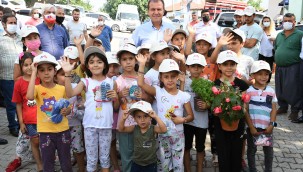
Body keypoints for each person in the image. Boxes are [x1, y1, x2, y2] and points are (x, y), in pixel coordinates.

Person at [61, 46, 119, 172]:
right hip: (90, 126)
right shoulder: (85, 81)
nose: (95, 65)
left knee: (105, 158)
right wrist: (67, 74)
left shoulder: (111, 82)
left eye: (99, 62)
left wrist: (116, 98)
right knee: (92, 159)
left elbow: (115, 107)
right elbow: (70, 93)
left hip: (106, 126)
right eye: (91, 62)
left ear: (105, 64)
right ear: (87, 66)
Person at [137, 57, 194, 172]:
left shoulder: (183, 96)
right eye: (166, 76)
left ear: (177, 77)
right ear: (161, 78)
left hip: (178, 136)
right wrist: (142, 64)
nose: (170, 80)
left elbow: (191, 116)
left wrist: (182, 120)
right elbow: (141, 83)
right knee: (163, 165)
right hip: (162, 135)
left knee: (178, 166)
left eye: (173, 76)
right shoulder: (158, 91)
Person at [26, 52, 72, 171]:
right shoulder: (37, 89)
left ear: (55, 71)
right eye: (41, 70)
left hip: (63, 131)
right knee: (47, 164)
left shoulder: (61, 88)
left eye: (49, 69)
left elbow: (69, 104)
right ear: (38, 73)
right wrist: (33, 74)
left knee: (66, 163)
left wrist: (67, 111)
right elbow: (30, 96)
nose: (46, 73)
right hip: (45, 133)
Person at [214, 50, 249, 172]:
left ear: (236, 65)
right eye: (225, 64)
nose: (229, 67)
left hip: (237, 125)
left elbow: (245, 105)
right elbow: (213, 107)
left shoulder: (242, 84)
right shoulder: (215, 85)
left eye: (232, 64)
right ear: (219, 66)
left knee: (236, 154)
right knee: (223, 155)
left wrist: (239, 110)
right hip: (220, 125)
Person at [115, 43, 144, 172]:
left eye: (131, 58)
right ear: (120, 62)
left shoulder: (142, 78)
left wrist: (142, 96)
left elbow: (150, 99)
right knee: (126, 155)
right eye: (124, 59)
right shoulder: (117, 81)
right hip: (124, 123)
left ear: (136, 60)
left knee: (141, 154)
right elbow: (115, 107)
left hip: (141, 123)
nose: (128, 62)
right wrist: (120, 95)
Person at [12, 52, 43, 171]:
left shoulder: (40, 79)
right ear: (21, 67)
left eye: (31, 64)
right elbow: (18, 104)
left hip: (43, 117)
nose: (29, 67)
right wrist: (21, 122)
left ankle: (46, 160)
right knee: (34, 141)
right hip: (29, 119)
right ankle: (39, 164)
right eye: (26, 65)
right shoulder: (19, 83)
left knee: (44, 142)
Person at [245, 60, 277, 172]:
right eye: (260, 73)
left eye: (266, 74)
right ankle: (252, 170)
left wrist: (272, 124)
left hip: (267, 128)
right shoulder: (248, 91)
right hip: (253, 128)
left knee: (268, 152)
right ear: (253, 75)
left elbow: (274, 109)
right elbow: (245, 110)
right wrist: (251, 127)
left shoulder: (271, 91)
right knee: (251, 150)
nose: (263, 77)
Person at [118, 101, 167, 172]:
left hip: (151, 164)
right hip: (136, 163)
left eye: (145, 116)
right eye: (139, 117)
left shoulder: (153, 128)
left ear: (150, 117)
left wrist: (156, 117)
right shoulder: (134, 128)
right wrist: (123, 119)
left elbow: (164, 130)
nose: (142, 120)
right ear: (134, 118)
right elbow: (121, 129)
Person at [54, 62, 85, 172]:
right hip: (60, 127)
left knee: (78, 149)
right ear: (55, 76)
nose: (67, 76)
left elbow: (82, 106)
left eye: (69, 74)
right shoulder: (53, 90)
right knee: (64, 150)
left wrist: (74, 110)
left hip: (75, 125)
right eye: (62, 74)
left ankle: (82, 169)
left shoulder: (75, 88)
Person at [274, 13, 303, 121]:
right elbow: (276, 48)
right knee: (279, 88)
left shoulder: (300, 34)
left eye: (290, 21)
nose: (287, 23)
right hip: (280, 66)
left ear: (294, 22)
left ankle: (295, 110)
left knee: (293, 89)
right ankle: (283, 107)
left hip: (293, 66)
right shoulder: (279, 35)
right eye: (285, 21)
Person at [183, 53, 208, 172]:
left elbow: (212, 101)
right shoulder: (183, 82)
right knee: (186, 147)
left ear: (203, 67)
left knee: (200, 148)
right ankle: (187, 170)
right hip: (187, 120)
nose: (196, 69)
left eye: (199, 66)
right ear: (188, 67)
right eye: (193, 66)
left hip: (202, 122)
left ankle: (199, 170)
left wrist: (207, 104)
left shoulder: (207, 83)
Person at [0, 13, 23, 137]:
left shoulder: (20, 38)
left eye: (15, 23)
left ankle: (21, 123)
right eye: (10, 23)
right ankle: (12, 126)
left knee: (21, 102)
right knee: (11, 104)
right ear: (4, 24)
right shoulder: (0, 39)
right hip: (6, 77)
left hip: (20, 76)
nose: (13, 25)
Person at [105, 52, 121, 172]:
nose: (112, 68)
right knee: (111, 142)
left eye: (114, 66)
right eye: (109, 65)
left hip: (118, 115)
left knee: (118, 140)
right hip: (107, 117)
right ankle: (115, 166)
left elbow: (116, 105)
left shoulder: (118, 80)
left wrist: (117, 96)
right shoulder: (100, 80)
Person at [259, 16, 277, 82]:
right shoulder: (260, 31)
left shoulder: (274, 32)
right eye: (265, 21)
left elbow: (277, 43)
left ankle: (267, 82)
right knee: (260, 68)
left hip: (271, 54)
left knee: (268, 69)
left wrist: (274, 40)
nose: (266, 23)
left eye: (267, 21)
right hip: (261, 53)